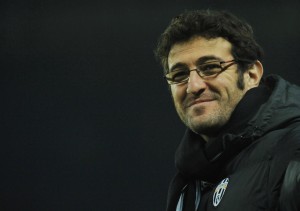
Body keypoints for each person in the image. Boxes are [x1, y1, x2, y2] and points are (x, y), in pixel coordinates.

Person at [154, 9, 300, 211]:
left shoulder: (293, 149)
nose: (194, 86)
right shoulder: (186, 185)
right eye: (179, 74)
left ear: (251, 74)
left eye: (211, 67)